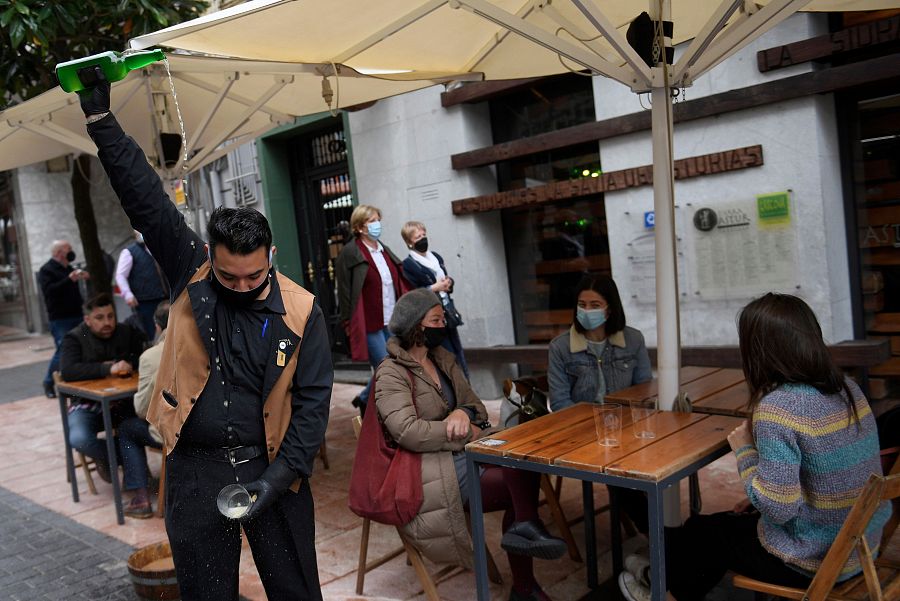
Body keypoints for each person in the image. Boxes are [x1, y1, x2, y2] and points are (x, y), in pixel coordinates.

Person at [80, 73, 333, 601]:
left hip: (272, 469)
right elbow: (145, 199)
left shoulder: (302, 308)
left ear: (272, 260)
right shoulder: (189, 269)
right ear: (211, 259)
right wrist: (102, 120)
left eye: (254, 277)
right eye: (228, 276)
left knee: (297, 592)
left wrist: (278, 478)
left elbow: (311, 406)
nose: (241, 287)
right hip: (195, 473)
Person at [618, 293, 892, 601]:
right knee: (707, 528)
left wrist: (745, 451)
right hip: (860, 549)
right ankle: (656, 570)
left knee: (710, 534)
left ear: (758, 350)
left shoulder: (778, 407)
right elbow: (823, 478)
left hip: (813, 561)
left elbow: (777, 507)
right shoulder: (847, 388)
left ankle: (660, 589)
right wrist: (757, 495)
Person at [375, 288, 566, 601]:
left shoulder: (443, 358)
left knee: (522, 460)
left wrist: (463, 412)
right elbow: (407, 432)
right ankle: (525, 578)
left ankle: (525, 544)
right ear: (416, 327)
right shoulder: (391, 373)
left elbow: (475, 404)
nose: (445, 324)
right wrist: (465, 433)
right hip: (431, 468)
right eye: (437, 319)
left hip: (466, 452)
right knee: (518, 481)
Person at [59, 293, 145, 483]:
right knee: (79, 438)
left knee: (140, 427)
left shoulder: (125, 332)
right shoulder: (74, 337)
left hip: (122, 403)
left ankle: (128, 464)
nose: (107, 322)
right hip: (87, 404)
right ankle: (121, 457)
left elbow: (141, 356)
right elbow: (68, 371)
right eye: (99, 318)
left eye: (110, 316)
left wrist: (129, 363)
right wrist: (108, 368)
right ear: (87, 320)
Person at [336, 204, 409, 415]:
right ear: (359, 227)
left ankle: (365, 398)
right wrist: (348, 323)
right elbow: (345, 293)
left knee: (392, 366)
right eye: (372, 221)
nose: (377, 224)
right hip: (368, 322)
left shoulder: (383, 249)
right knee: (387, 367)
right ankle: (393, 412)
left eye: (378, 219)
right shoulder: (350, 253)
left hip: (391, 318)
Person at [547, 273, 652, 410]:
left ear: (610, 309)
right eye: (582, 305)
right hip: (581, 424)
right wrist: (593, 424)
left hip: (625, 421)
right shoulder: (560, 347)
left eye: (595, 305)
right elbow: (560, 403)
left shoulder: (633, 339)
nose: (587, 310)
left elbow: (644, 391)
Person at [116, 301, 169, 518]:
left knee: (127, 428)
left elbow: (142, 409)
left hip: (173, 435)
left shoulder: (151, 356)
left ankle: (141, 499)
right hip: (210, 428)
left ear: (157, 326)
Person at [400, 220, 469, 378]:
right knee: (443, 354)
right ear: (410, 242)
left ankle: (465, 388)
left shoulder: (436, 257)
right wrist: (434, 288)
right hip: (429, 317)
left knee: (458, 352)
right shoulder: (409, 265)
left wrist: (448, 283)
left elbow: (444, 280)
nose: (423, 239)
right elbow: (412, 293)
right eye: (418, 237)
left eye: (424, 235)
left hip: (447, 311)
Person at [38, 239, 90, 398]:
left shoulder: (68, 267)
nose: (71, 251)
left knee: (83, 346)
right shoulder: (46, 270)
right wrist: (69, 279)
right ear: (59, 252)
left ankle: (74, 382)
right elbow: (50, 291)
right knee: (62, 350)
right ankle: (48, 382)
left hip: (77, 314)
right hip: (60, 318)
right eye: (68, 248)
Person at [115, 229, 169, 339]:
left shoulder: (158, 247)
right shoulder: (129, 252)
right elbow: (120, 275)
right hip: (146, 301)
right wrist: (128, 295)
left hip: (166, 297)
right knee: (152, 332)